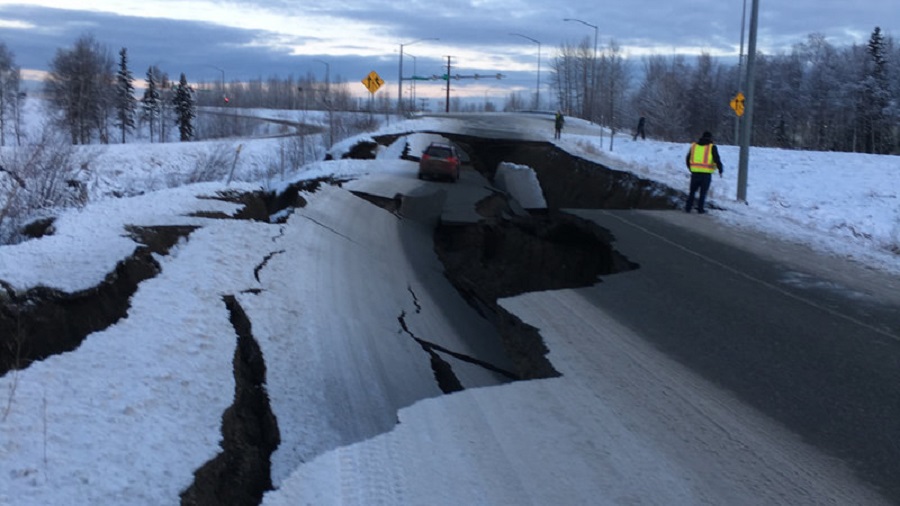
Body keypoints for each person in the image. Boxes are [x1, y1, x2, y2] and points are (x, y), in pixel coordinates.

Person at [684, 131, 723, 214]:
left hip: (695, 173)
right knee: (703, 193)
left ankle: (688, 207)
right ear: (710, 138)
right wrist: (720, 169)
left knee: (692, 191)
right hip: (706, 174)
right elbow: (717, 159)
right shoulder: (712, 147)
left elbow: (688, 159)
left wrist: (691, 169)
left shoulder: (694, 146)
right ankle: (700, 209)